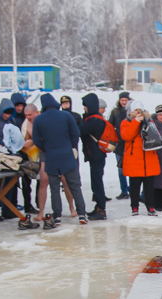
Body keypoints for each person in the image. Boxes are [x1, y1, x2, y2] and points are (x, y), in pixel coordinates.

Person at [32, 92, 87, 225]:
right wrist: (71, 146)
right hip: (67, 155)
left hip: (51, 156)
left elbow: (35, 140)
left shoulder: (39, 119)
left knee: (54, 187)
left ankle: (57, 216)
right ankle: (82, 214)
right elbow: (75, 133)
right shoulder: (66, 115)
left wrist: (46, 148)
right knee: (74, 185)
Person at [119, 100, 161, 216]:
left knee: (149, 186)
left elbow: (155, 135)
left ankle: (150, 207)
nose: (138, 112)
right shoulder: (126, 122)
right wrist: (136, 122)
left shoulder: (149, 121)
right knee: (134, 186)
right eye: (135, 110)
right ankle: (134, 207)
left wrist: (146, 122)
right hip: (134, 159)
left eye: (139, 110)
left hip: (148, 158)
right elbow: (127, 136)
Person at [79, 93, 108, 220]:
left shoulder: (93, 120)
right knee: (96, 181)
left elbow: (80, 131)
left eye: (86, 106)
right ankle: (99, 207)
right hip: (97, 155)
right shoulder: (96, 118)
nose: (85, 108)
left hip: (96, 155)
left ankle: (101, 209)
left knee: (97, 182)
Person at [109, 92, 131, 200]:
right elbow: (110, 125)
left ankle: (132, 189)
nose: (123, 102)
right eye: (122, 100)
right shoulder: (115, 112)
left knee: (132, 169)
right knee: (121, 169)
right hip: (119, 144)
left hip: (130, 144)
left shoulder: (132, 111)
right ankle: (124, 190)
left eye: (125, 100)